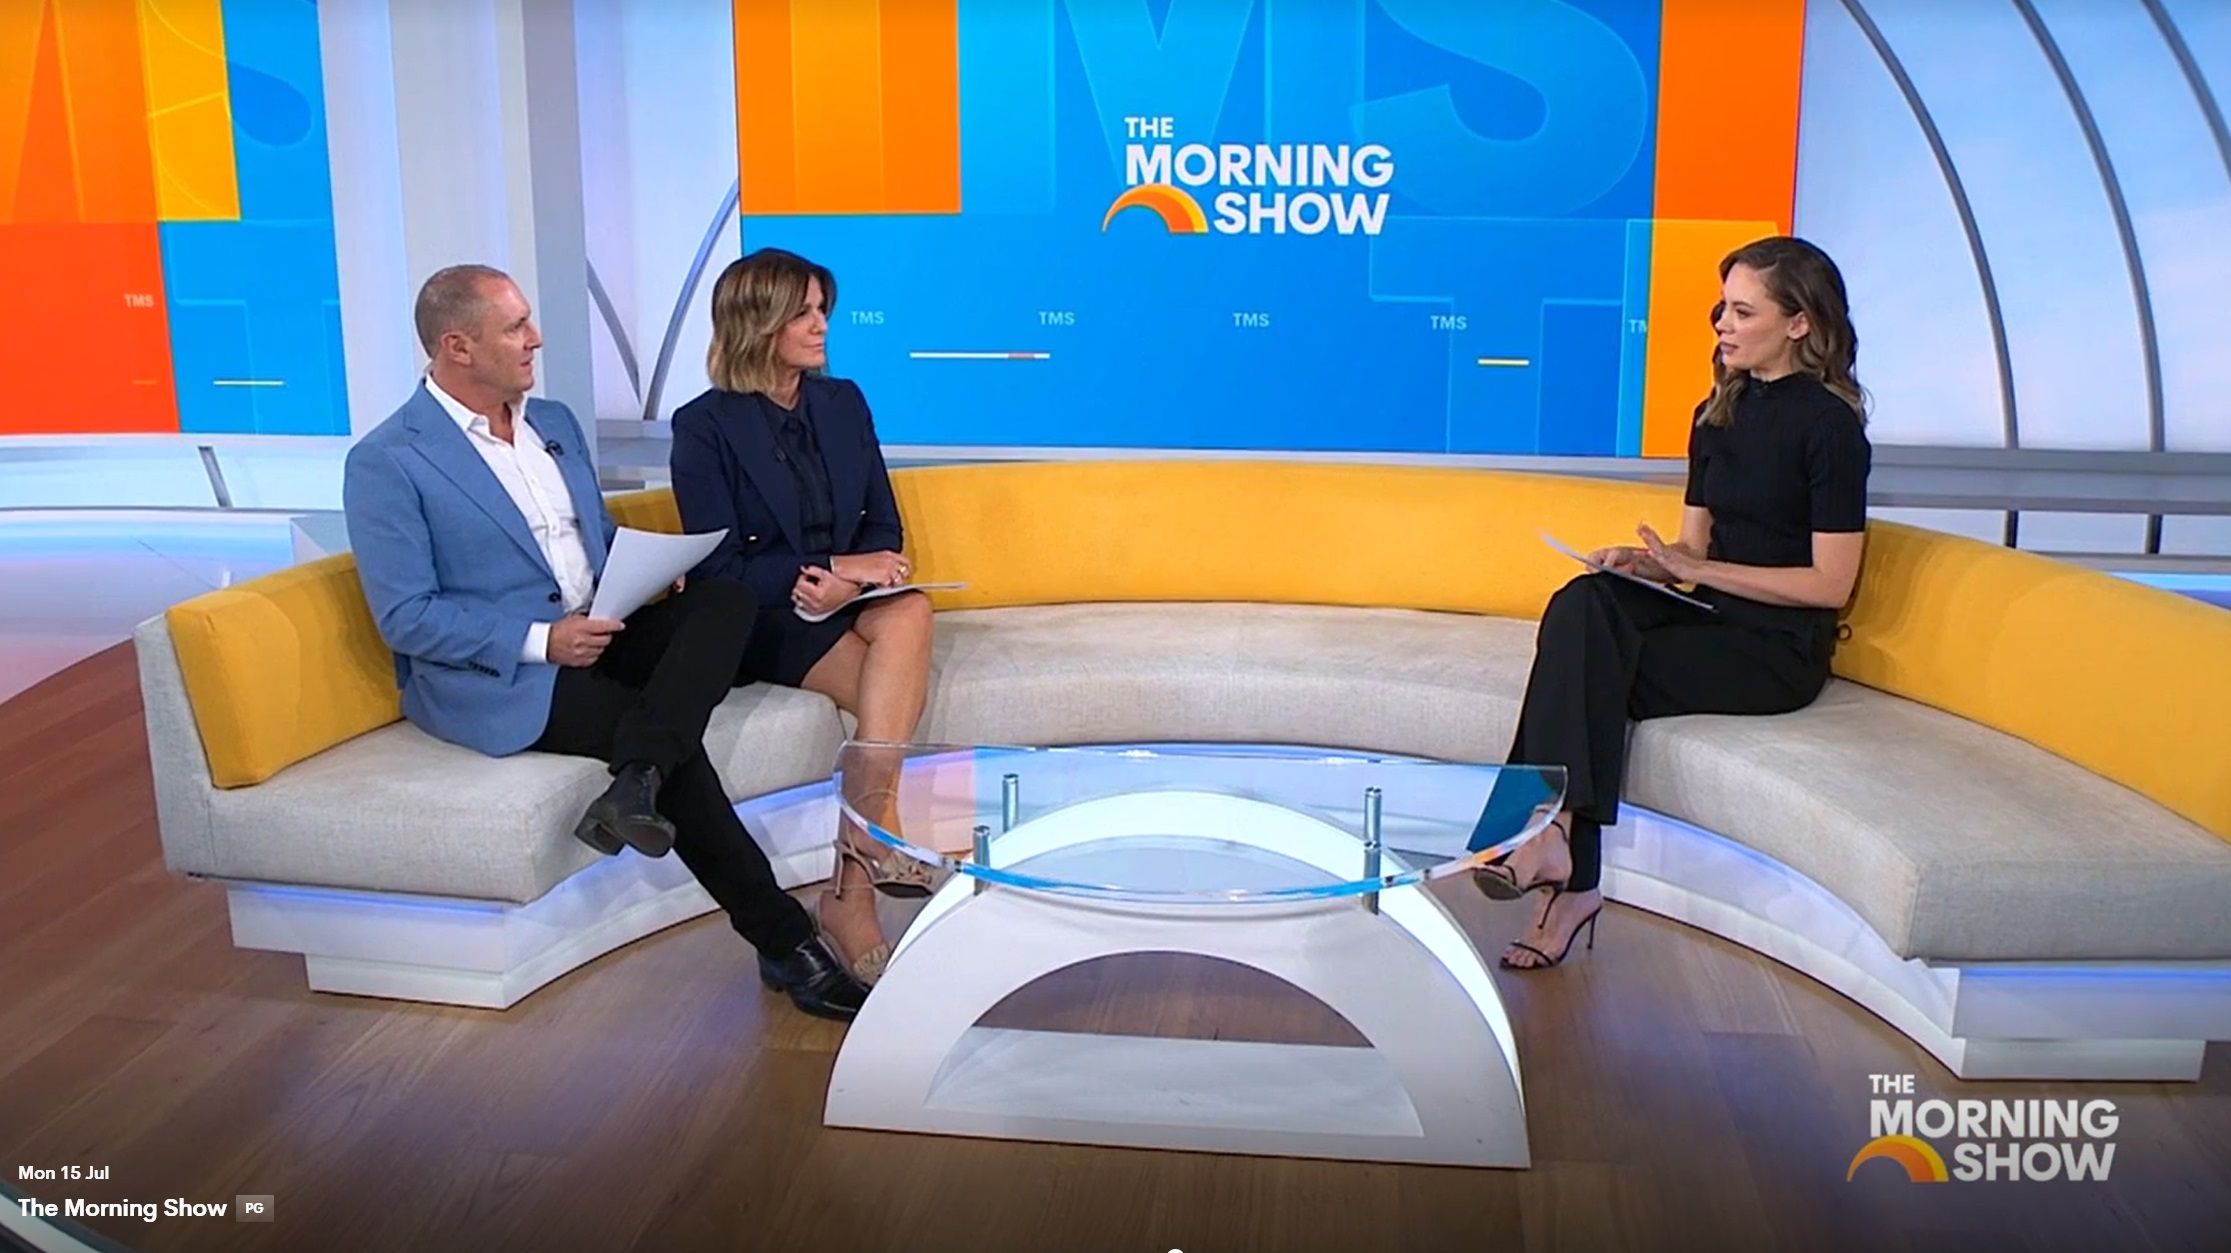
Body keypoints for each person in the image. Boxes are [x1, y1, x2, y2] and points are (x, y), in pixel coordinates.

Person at [343, 263, 868, 1020]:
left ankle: (636, 780)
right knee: (660, 741)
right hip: (506, 672)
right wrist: (543, 640)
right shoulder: (389, 460)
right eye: (516, 327)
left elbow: (586, 539)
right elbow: (407, 615)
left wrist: (654, 565)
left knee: (724, 599)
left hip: (602, 625)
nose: (536, 338)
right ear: (457, 346)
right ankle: (788, 943)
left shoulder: (552, 422)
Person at [1478, 236, 1872, 970]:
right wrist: (1649, 565)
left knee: (1587, 662)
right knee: (1584, 602)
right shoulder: (1715, 411)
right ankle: (1555, 850)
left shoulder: (1830, 428)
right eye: (1722, 307)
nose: (1722, 323)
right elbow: (1693, 552)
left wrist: (1699, 568)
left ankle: (1549, 849)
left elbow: (1830, 584)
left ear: (1798, 323)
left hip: (1775, 650)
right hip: (1711, 615)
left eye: (1743, 311)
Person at [669, 249, 935, 985]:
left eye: (822, 310)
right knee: (893, 681)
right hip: (764, 613)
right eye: (803, 313)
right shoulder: (703, 426)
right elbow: (719, 568)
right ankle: (859, 876)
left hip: (845, 601)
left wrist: (847, 585)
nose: (821, 326)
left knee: (910, 609)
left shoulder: (842, 402)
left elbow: (884, 527)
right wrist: (828, 571)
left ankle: (855, 875)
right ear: (757, 323)